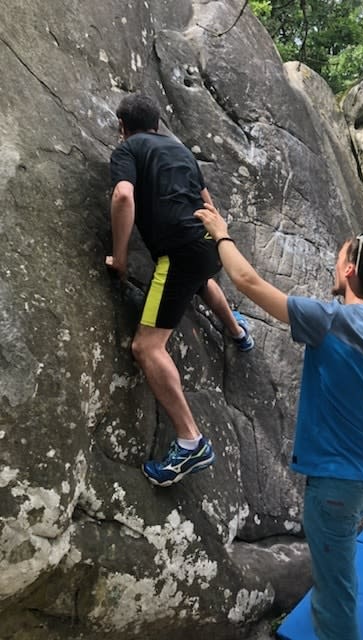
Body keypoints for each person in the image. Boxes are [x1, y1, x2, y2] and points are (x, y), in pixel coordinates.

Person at [194, 203, 363, 640]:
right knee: (339, 569)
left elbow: (247, 282)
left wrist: (219, 232)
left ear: (348, 269)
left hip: (337, 488)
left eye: (338, 259)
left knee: (333, 594)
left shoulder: (330, 321)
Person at [106, 94, 254, 488]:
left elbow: (123, 196)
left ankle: (191, 443)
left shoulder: (128, 149)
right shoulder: (179, 150)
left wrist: (119, 258)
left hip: (179, 252)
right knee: (202, 282)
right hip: (208, 244)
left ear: (124, 125)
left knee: (147, 347)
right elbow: (208, 202)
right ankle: (238, 333)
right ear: (156, 124)